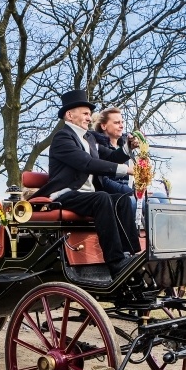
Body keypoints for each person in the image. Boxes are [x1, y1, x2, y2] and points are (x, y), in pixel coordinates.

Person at [31, 89, 140, 279]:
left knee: (122, 199)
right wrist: (126, 169)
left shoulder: (89, 138)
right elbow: (87, 163)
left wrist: (128, 147)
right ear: (70, 115)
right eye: (85, 113)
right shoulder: (62, 138)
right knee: (102, 198)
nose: (89, 118)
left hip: (86, 196)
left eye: (89, 114)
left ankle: (132, 256)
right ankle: (115, 262)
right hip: (65, 194)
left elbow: (111, 156)